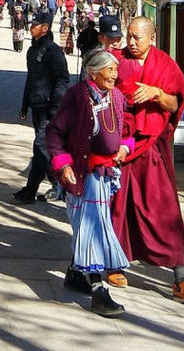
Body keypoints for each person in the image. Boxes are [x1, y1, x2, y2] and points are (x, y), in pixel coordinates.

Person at [111, 16, 184, 303]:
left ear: (151, 38)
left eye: (137, 37)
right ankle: (115, 264)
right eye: (129, 35)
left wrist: (156, 93)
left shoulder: (165, 64)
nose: (131, 42)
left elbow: (175, 103)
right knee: (119, 207)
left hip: (153, 148)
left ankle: (180, 279)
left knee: (165, 211)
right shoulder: (118, 61)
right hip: (123, 147)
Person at [47, 50, 134, 317]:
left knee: (92, 225)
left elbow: (128, 126)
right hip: (84, 174)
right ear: (93, 72)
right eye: (109, 70)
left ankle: (75, 274)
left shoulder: (116, 97)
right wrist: (63, 164)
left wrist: (125, 146)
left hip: (106, 174)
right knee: (93, 228)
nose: (114, 75)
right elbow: (55, 131)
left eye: (116, 70)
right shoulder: (77, 96)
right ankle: (98, 290)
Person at [13, 8, 69, 204]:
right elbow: (31, 79)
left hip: (49, 108)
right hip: (37, 107)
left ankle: (30, 190)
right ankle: (58, 185)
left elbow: (62, 80)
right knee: (45, 147)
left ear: (45, 28)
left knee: (41, 146)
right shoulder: (32, 50)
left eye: (35, 25)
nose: (31, 27)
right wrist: (24, 104)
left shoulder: (53, 51)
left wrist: (55, 107)